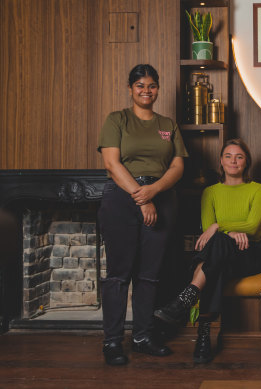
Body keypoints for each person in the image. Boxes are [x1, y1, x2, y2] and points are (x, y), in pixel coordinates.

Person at [97, 64, 188, 365]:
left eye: (151, 85)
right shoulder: (117, 119)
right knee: (119, 275)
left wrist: (155, 191)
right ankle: (112, 341)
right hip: (123, 199)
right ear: (130, 88)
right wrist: (141, 197)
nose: (146, 91)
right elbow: (112, 163)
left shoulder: (167, 124)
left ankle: (142, 336)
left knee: (150, 275)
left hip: (162, 198)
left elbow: (177, 166)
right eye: (140, 85)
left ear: (158, 88)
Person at [154, 138, 261, 363]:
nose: (233, 161)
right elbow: (208, 231)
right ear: (221, 161)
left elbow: (253, 228)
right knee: (217, 258)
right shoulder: (210, 192)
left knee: (216, 246)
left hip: (251, 253)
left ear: (247, 162)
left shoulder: (259, 190)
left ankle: (195, 316)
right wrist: (223, 233)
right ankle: (202, 329)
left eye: (239, 156)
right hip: (223, 255)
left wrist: (220, 227)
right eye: (228, 156)